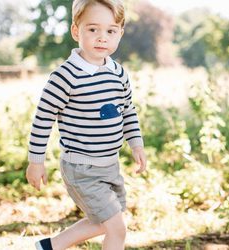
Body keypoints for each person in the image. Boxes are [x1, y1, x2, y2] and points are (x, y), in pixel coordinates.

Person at [26, 0, 147, 249]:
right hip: (81, 168)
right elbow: (43, 118)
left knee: (103, 221)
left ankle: (49, 246)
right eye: (93, 29)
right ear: (76, 31)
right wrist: (36, 161)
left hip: (110, 165)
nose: (102, 38)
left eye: (111, 31)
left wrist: (136, 144)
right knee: (117, 229)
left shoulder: (118, 73)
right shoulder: (66, 76)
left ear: (120, 34)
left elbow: (128, 111)